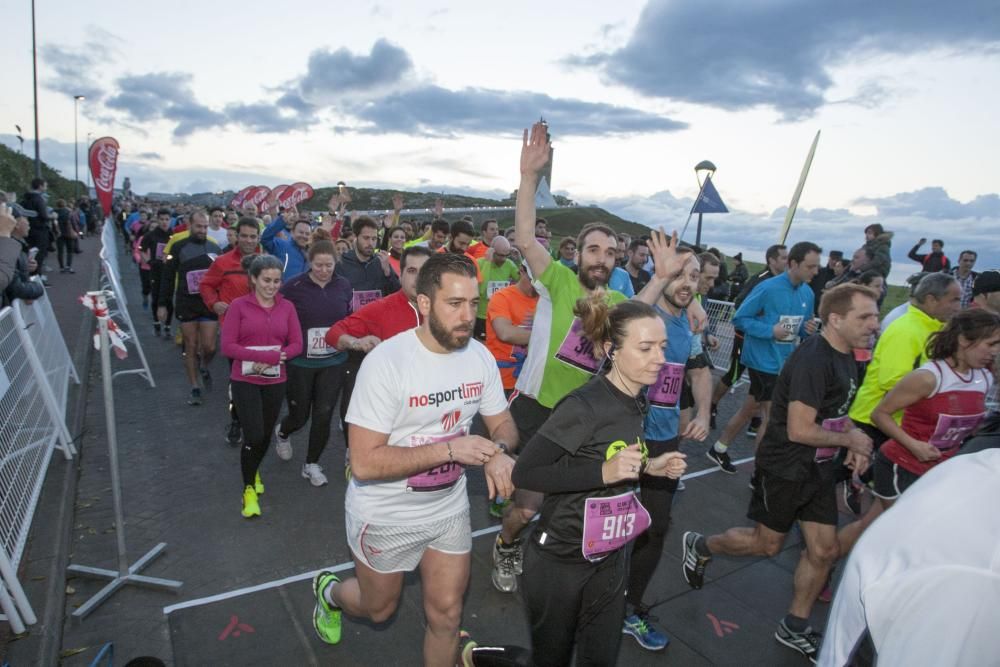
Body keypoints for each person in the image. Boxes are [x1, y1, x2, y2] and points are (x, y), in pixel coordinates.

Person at [492, 121, 694, 594]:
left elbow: (640, 309)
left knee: (566, 501)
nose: (602, 257)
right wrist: (528, 178)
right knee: (525, 507)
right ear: (577, 253)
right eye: (593, 249)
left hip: (584, 419)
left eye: (611, 251)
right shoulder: (557, 281)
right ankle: (505, 545)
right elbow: (524, 239)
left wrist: (665, 278)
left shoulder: (615, 303)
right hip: (538, 408)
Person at [310, 253, 518, 666]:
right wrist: (449, 449)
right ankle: (329, 593)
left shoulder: (478, 357)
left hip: (448, 509)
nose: (467, 316)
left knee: (447, 614)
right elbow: (365, 463)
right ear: (424, 304)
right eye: (454, 304)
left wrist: (499, 452)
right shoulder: (386, 363)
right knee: (378, 609)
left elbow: (504, 424)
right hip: (386, 514)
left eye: (473, 304)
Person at [684, 284, 880, 662]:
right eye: (865, 317)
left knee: (823, 551)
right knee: (767, 544)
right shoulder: (815, 359)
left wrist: (853, 442)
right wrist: (851, 441)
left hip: (820, 468)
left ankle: (794, 625)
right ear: (836, 319)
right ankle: (700, 545)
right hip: (787, 467)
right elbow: (799, 430)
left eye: (875, 315)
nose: (874, 324)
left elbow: (837, 411)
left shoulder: (849, 354)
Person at [511, 296, 687, 667]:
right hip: (560, 559)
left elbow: (612, 455)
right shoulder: (584, 406)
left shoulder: (638, 400)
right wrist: (602, 474)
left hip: (610, 555)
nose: (659, 358)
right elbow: (525, 473)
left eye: (662, 347)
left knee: (601, 658)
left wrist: (650, 466)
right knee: (552, 659)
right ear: (612, 350)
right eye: (645, 348)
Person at [833, 310, 999, 562]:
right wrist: (914, 445)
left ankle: (823, 560)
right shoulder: (928, 377)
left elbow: (968, 425)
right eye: (991, 344)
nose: (995, 351)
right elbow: (881, 414)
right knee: (901, 536)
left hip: (937, 472)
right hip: (902, 467)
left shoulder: (984, 378)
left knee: (871, 526)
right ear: (964, 340)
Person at [819, 448, 1000, 667]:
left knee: (856, 532)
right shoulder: (980, 572)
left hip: (888, 592)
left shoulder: (974, 463)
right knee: (792, 546)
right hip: (899, 467)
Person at [623, 248, 711, 650]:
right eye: (681, 274)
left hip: (662, 437)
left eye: (694, 276)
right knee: (600, 521)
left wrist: (705, 412)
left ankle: (629, 608)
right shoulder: (646, 314)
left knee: (655, 528)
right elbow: (621, 318)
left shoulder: (689, 325)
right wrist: (662, 278)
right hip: (620, 434)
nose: (688, 282)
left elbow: (700, 368)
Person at [708, 242, 821, 474]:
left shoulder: (808, 293)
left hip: (783, 361)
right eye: (810, 266)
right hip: (762, 360)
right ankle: (760, 474)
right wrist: (771, 331)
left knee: (749, 409)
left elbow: (799, 329)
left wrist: (806, 329)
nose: (815, 272)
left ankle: (719, 448)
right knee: (770, 417)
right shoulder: (768, 287)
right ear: (794, 264)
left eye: (816, 267)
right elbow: (740, 318)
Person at [221, 255, 302, 517]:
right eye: (266, 280)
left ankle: (253, 470)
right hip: (245, 380)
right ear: (253, 279)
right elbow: (228, 346)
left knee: (265, 435)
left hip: (275, 380)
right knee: (253, 435)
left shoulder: (287, 307)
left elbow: (296, 344)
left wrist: (279, 356)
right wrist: (266, 357)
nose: (272, 286)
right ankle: (248, 490)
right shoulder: (238, 306)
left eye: (277, 281)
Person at [272, 240, 353, 486]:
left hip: (334, 360)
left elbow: (349, 316)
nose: (324, 270)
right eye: (318, 265)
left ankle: (311, 464)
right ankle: (283, 431)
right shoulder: (293, 286)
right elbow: (276, 315)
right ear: (309, 263)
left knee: (324, 413)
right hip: (301, 362)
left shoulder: (343, 285)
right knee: (300, 415)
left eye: (328, 265)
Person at [334, 216, 401, 452]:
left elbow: (398, 293)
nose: (370, 242)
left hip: (378, 338)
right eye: (365, 237)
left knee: (379, 393)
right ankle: (350, 450)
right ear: (355, 238)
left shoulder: (380, 263)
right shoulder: (341, 264)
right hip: (353, 336)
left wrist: (388, 273)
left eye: (374, 238)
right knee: (351, 394)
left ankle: (378, 441)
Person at [710, 244, 788, 429]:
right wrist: (760, 315)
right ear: (772, 260)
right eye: (784, 258)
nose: (787, 262)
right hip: (745, 338)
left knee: (763, 380)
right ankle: (712, 406)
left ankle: (756, 419)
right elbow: (739, 304)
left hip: (766, 341)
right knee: (735, 373)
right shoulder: (759, 279)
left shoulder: (784, 282)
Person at [200, 217, 262, 444]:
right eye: (243, 235)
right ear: (236, 236)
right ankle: (236, 421)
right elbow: (206, 285)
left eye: (252, 236)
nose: (248, 240)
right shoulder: (223, 262)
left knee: (260, 375)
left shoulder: (264, 262)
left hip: (261, 331)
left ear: (258, 238)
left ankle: (256, 420)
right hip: (234, 332)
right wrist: (213, 303)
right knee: (237, 379)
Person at [159, 211, 222, 405]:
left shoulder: (214, 247)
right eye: (198, 227)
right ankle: (194, 387)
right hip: (186, 302)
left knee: (210, 347)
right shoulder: (178, 247)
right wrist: (163, 304)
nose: (202, 230)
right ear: (190, 226)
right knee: (190, 346)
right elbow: (167, 278)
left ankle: (204, 365)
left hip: (208, 303)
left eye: (205, 227)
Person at [485, 262, 538, 396]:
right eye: (533, 279)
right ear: (521, 271)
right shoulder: (502, 297)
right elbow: (505, 333)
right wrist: (545, 335)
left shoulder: (545, 300)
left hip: (530, 380)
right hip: (502, 380)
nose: (537, 285)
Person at [475, 236, 519, 339]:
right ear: (491, 251)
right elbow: (480, 289)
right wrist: (488, 263)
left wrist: (519, 260)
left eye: (506, 255)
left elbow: (522, 281)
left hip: (500, 316)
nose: (503, 259)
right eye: (500, 255)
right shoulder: (479, 263)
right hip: (481, 316)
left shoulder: (509, 264)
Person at [1, 203, 45, 308]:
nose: (29, 223)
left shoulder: (16, 246)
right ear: (14, 223)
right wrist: (38, 287)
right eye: (25, 218)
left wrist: (27, 269)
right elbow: (15, 288)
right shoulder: (8, 248)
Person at [141, 209, 175, 334]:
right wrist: (149, 261)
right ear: (158, 219)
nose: (164, 222)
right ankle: (156, 321)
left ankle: (168, 325)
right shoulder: (151, 235)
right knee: (155, 297)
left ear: (170, 220)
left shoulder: (174, 235)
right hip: (156, 270)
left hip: (170, 271)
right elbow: (142, 250)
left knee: (169, 298)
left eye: (167, 219)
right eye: (162, 219)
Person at [262, 208, 311, 279]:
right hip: (283, 289)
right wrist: (281, 221)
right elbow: (265, 239)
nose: (304, 236)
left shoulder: (313, 253)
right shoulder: (282, 245)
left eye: (307, 234)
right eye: (301, 232)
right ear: (292, 233)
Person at [20, 178, 49, 282]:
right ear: (40, 186)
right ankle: (37, 279)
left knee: (29, 255)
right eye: (45, 185)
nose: (46, 187)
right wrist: (52, 216)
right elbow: (44, 216)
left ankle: (28, 277)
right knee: (39, 256)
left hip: (28, 230)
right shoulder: (38, 199)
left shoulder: (25, 198)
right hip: (40, 231)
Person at [54, 199, 77, 274]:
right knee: (70, 251)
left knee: (60, 252)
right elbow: (74, 223)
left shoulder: (54, 212)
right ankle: (68, 266)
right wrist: (76, 231)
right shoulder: (69, 212)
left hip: (59, 234)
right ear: (65, 204)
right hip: (68, 233)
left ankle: (61, 267)